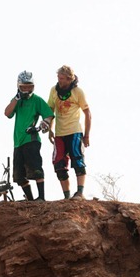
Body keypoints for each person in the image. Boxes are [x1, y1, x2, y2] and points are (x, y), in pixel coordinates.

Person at [4, 71, 54, 201]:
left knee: (35, 168)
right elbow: (7, 113)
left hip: (31, 139)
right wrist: (17, 98)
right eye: (23, 87)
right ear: (18, 86)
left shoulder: (37, 100)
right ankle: (31, 200)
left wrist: (44, 123)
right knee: (19, 175)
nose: (26, 89)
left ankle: (41, 197)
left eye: (29, 86)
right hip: (18, 141)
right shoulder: (17, 100)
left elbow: (48, 114)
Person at [47, 65, 91, 200]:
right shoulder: (54, 90)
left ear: (69, 79)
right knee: (58, 163)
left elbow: (87, 113)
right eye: (58, 78)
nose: (59, 80)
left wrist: (87, 135)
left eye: (62, 78)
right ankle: (66, 196)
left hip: (74, 131)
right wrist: (50, 129)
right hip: (60, 133)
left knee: (77, 160)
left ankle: (79, 192)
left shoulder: (77, 92)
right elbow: (50, 111)